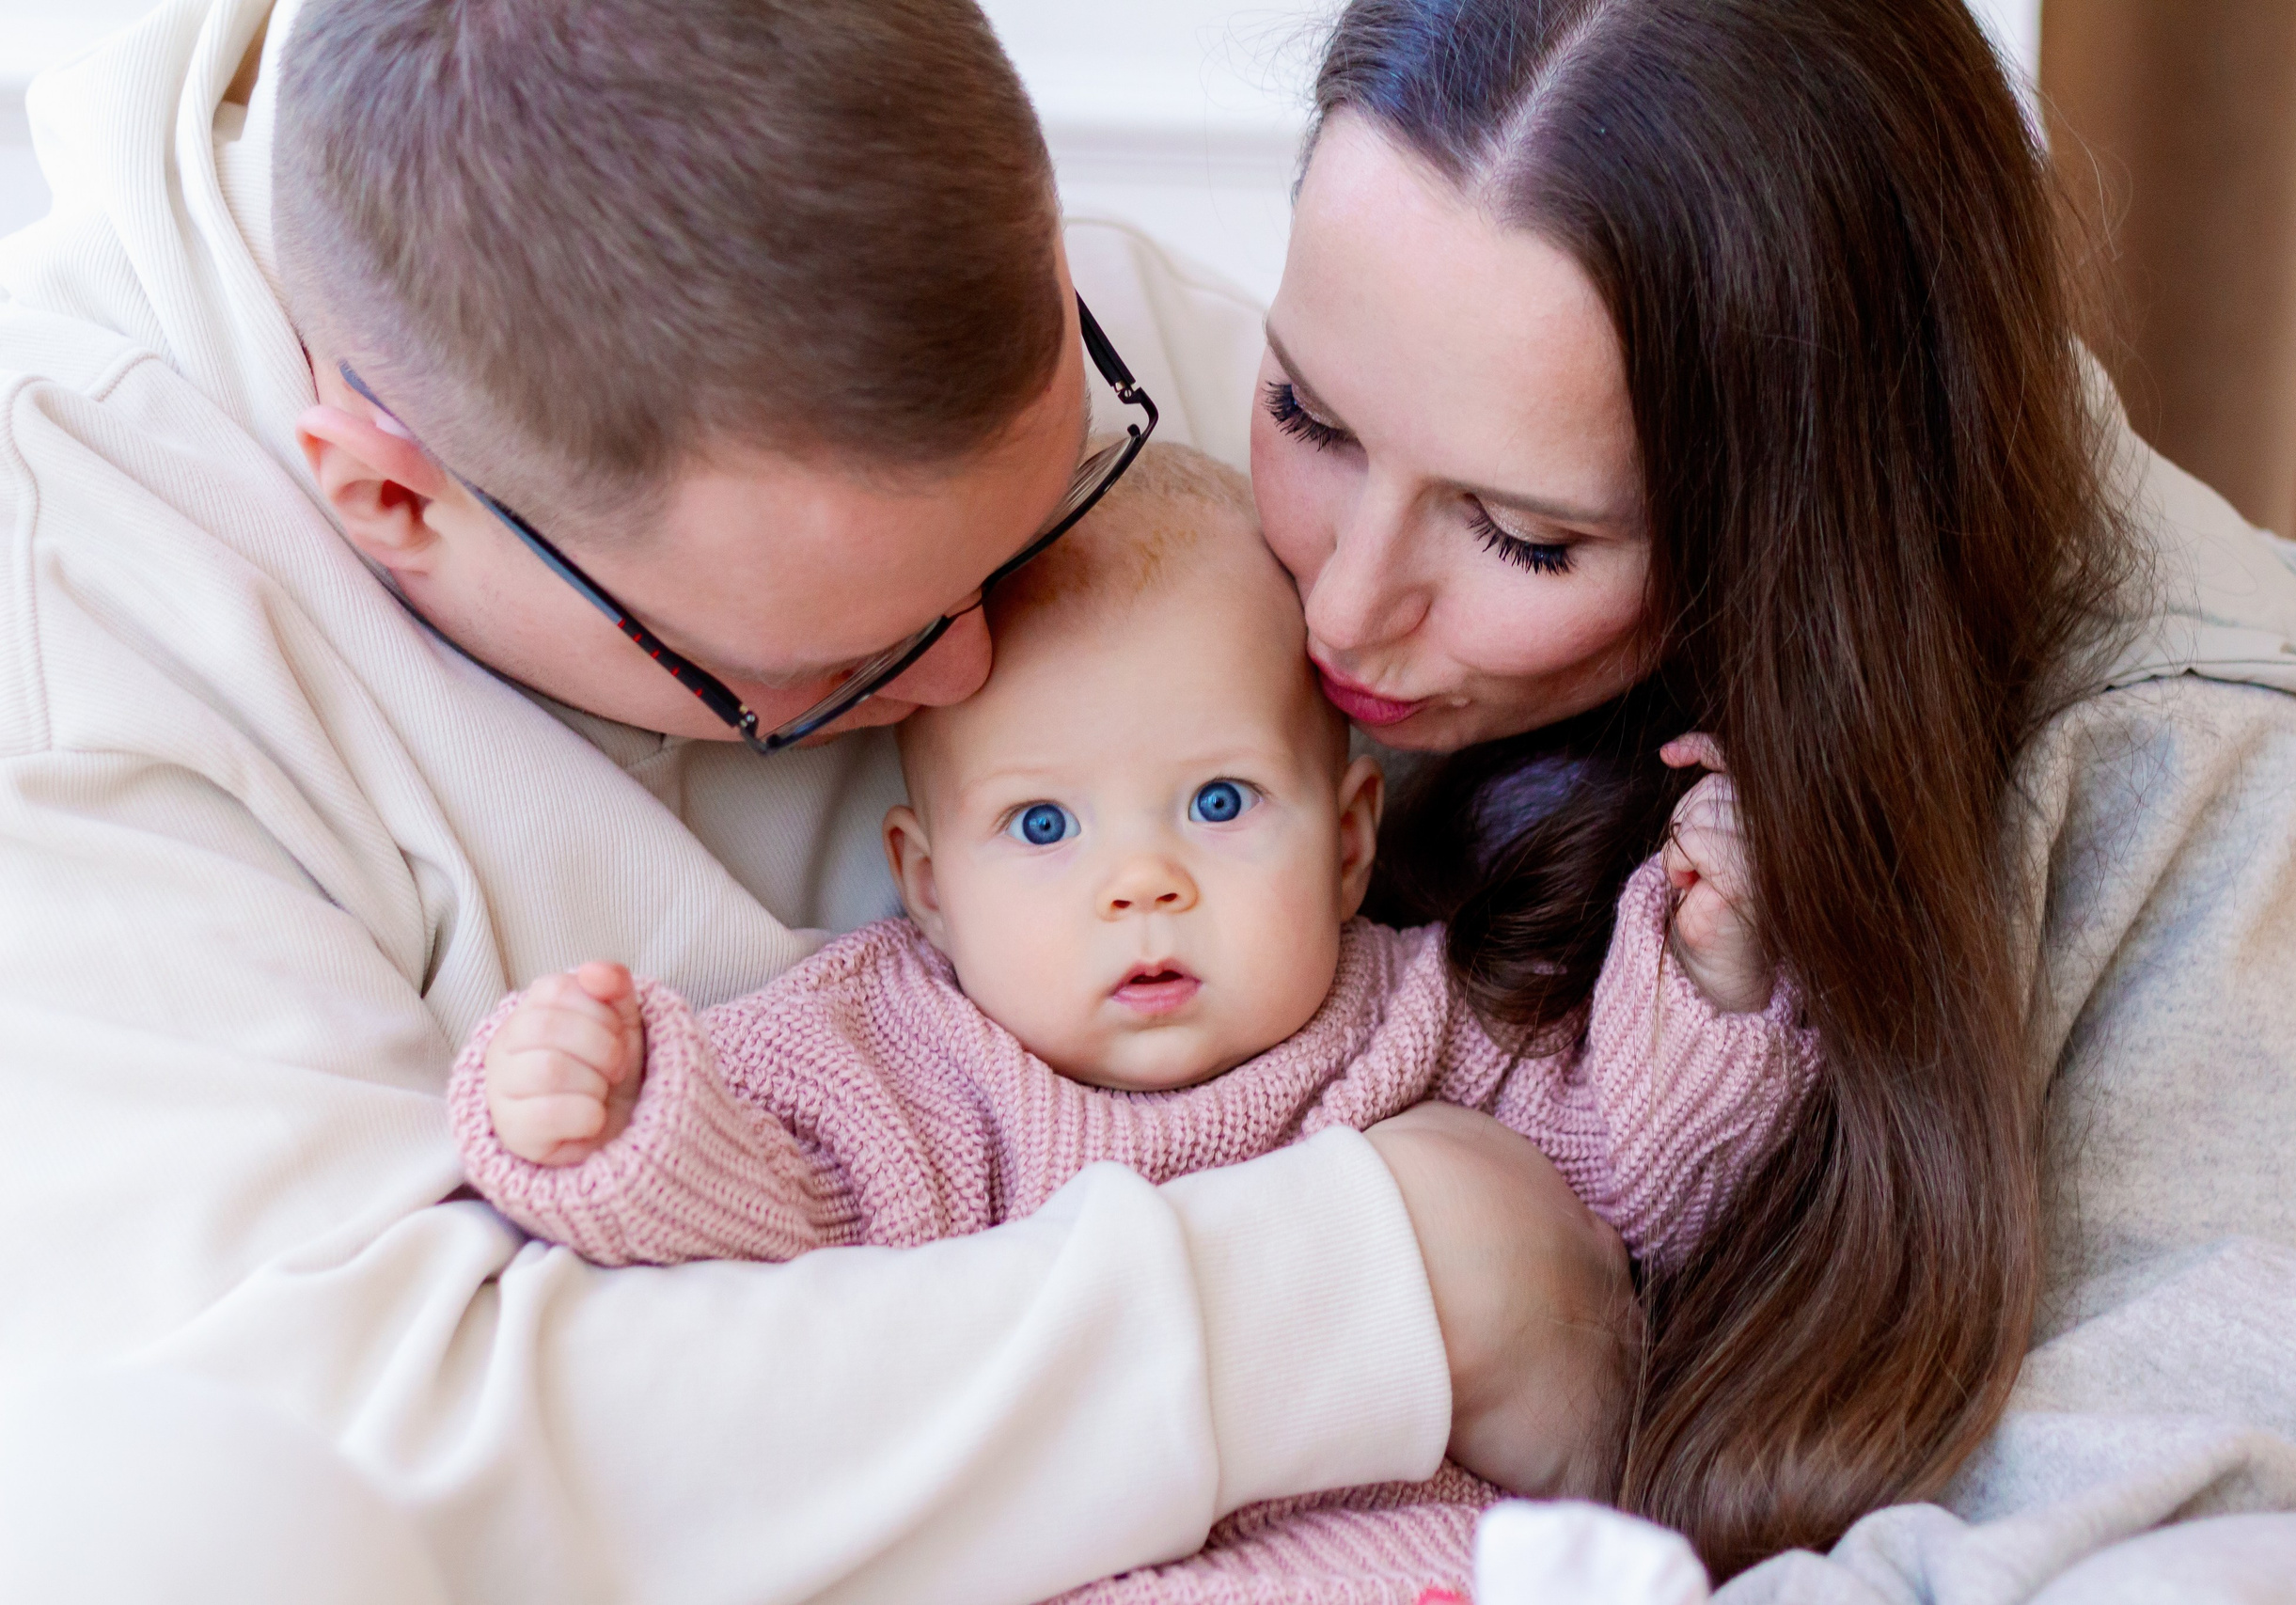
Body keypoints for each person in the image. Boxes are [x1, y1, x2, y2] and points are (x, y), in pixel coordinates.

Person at [0, 4, 1637, 1602]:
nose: (975, 667)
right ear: (389, 496)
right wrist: (1378, 1291)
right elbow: (386, 1459)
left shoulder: (985, 288)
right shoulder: (74, 634)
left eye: (1026, 533)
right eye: (850, 658)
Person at [1248, 0, 2296, 1597]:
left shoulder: (2220, 796)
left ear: (1800, 517)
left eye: (1523, 538)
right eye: (1307, 415)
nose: (1344, 609)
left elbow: (2162, 1500)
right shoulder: (1273, 516)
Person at [442, 445, 1810, 1603]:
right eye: (1043, 825)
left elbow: (1640, 1181)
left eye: (1220, 804)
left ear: (1346, 848)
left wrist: (1711, 967)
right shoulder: (893, 1058)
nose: (1141, 883)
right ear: (930, 885)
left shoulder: (1419, 1016)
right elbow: (758, 1247)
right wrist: (618, 1121)